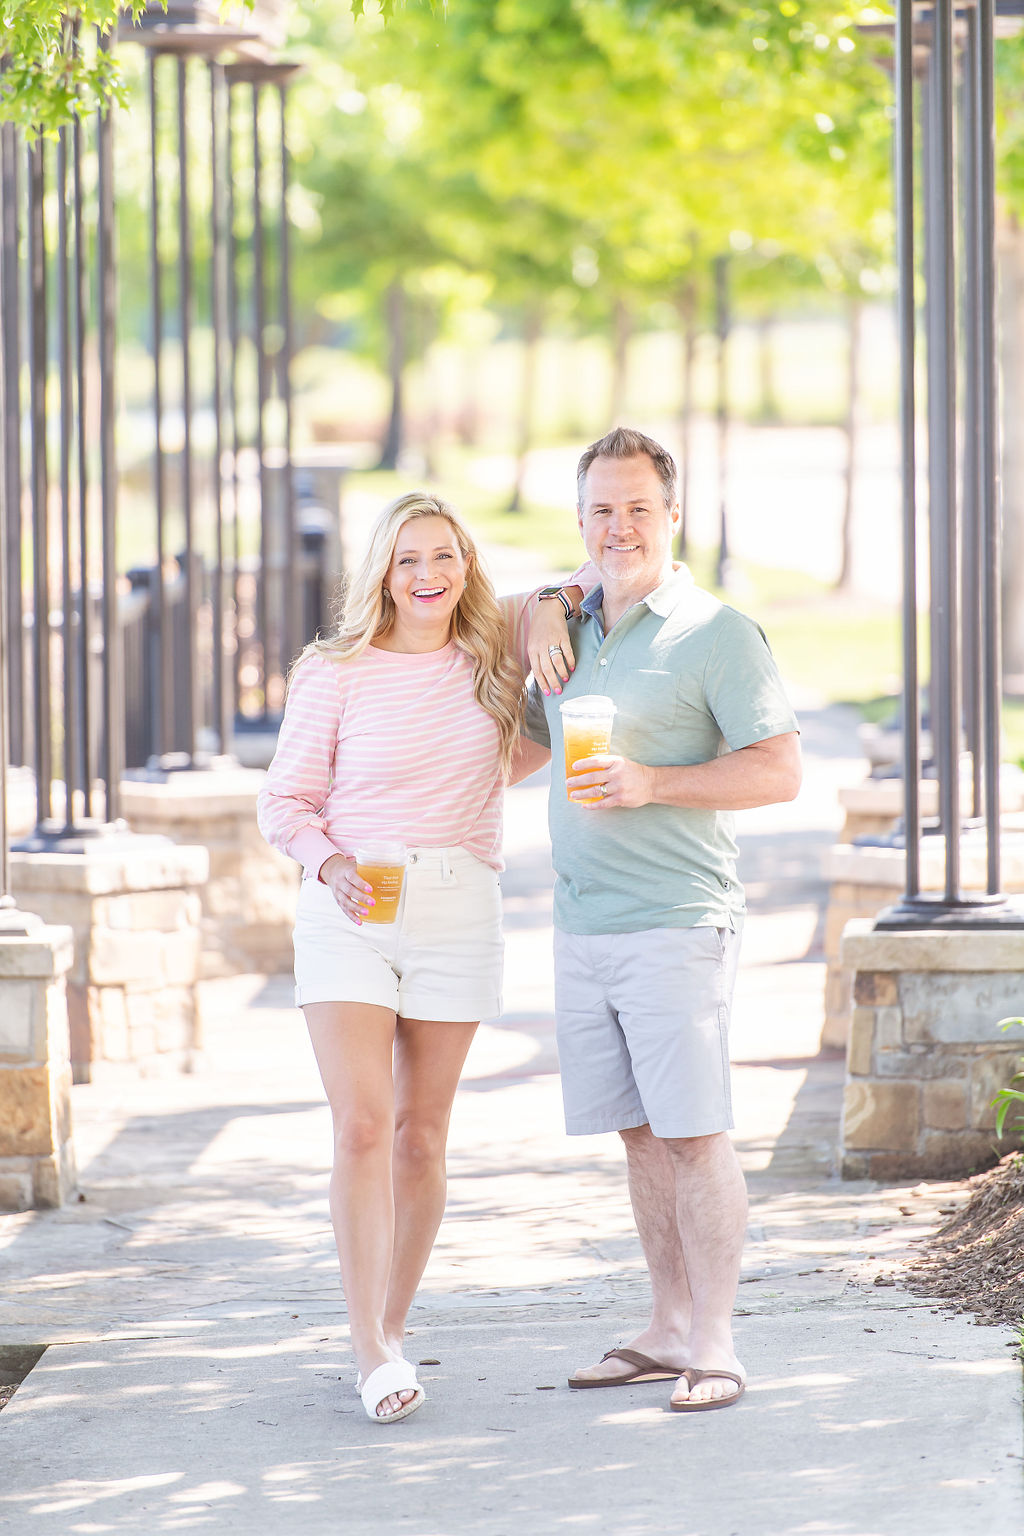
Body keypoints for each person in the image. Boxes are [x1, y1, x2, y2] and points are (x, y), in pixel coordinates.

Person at [257, 491, 585, 1425]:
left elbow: (567, 592)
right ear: (382, 573)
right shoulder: (335, 671)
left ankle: (389, 1335)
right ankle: (367, 1346)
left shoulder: (491, 664)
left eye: (446, 556)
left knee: (422, 1136)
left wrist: (553, 611)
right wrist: (328, 862)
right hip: (351, 903)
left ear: (467, 568)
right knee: (364, 1123)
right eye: (409, 559)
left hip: (456, 904)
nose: (429, 575)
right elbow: (285, 802)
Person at [518, 427, 802, 1413]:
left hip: (676, 924)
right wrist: (534, 613)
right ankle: (667, 1323)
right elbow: (515, 749)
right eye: (601, 508)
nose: (619, 526)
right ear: (580, 520)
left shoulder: (716, 634)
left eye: (638, 507)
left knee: (694, 1134)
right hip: (581, 924)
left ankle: (715, 1345)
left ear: (672, 516)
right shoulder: (572, 630)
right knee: (639, 1135)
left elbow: (778, 768)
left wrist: (653, 782)